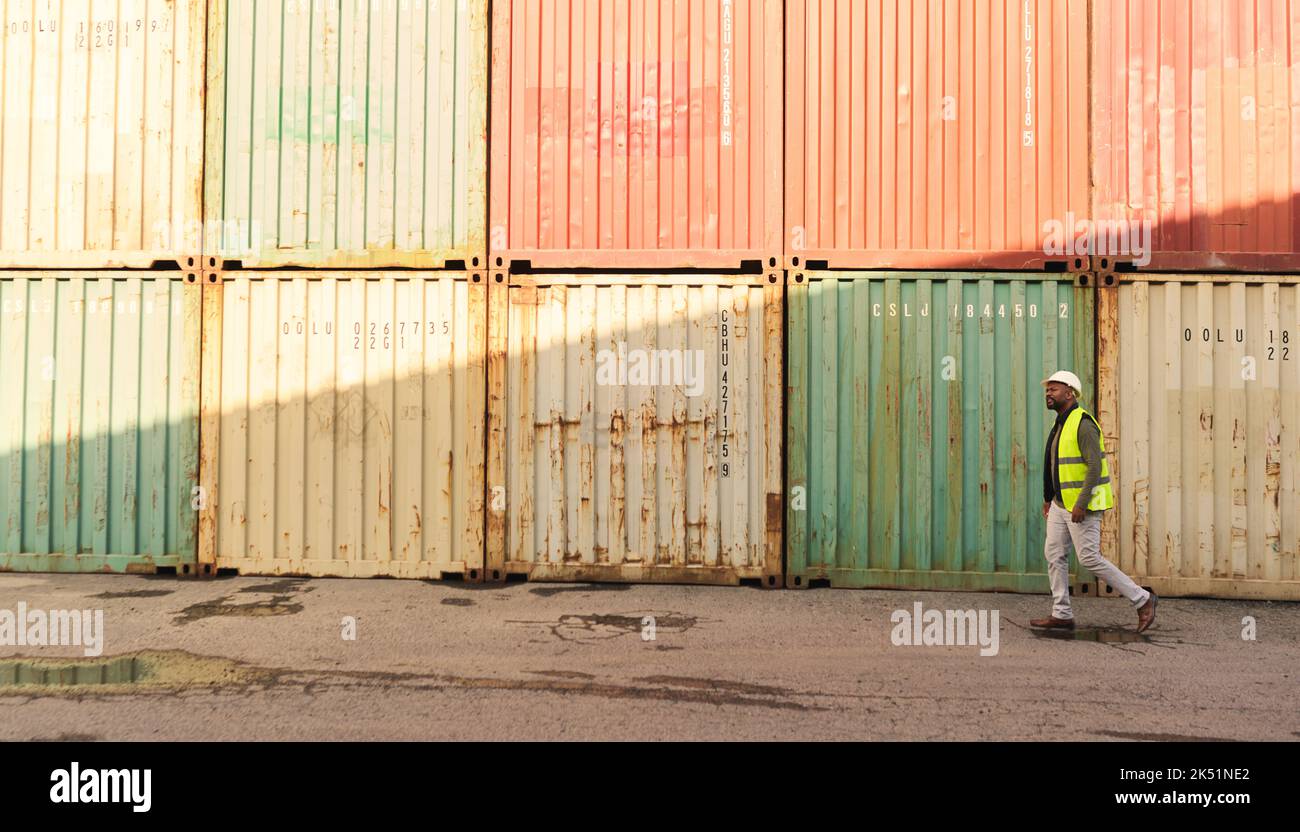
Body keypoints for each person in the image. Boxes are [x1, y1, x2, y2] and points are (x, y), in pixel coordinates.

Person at [1033, 370, 1157, 633]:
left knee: (1089, 558)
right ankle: (1062, 613)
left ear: (1070, 393)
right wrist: (1048, 499)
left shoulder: (1083, 423)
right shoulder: (1061, 423)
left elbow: (1094, 467)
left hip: (1081, 506)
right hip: (1059, 504)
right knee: (1054, 555)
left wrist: (1081, 503)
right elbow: (1051, 463)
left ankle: (1142, 599)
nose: (1048, 393)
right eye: (1047, 389)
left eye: (1053, 389)